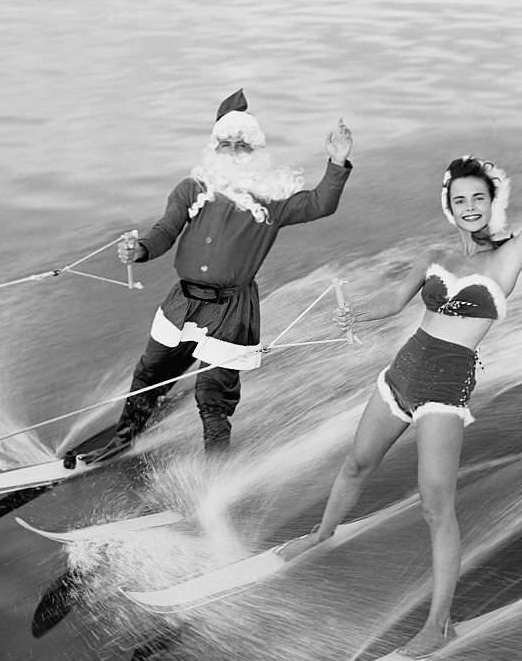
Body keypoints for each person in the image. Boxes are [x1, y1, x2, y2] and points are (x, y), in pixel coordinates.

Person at [279, 88, 522, 658]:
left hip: (446, 383)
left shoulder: (506, 258)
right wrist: (357, 312)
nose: (469, 206)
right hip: (403, 369)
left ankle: (439, 624)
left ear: (493, 201)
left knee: (435, 503)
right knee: (357, 462)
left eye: (478, 198)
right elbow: (395, 301)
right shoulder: (434, 255)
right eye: (460, 199)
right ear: (450, 204)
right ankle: (321, 535)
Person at [95, 89, 353, 460]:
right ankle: (123, 439)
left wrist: (337, 160)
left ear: (256, 152)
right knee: (150, 372)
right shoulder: (191, 190)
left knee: (212, 396)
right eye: (225, 144)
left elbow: (320, 204)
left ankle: (215, 478)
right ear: (214, 149)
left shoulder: (271, 201)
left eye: (242, 145)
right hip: (182, 302)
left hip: (232, 311)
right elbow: (165, 231)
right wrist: (141, 249)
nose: (232, 151)